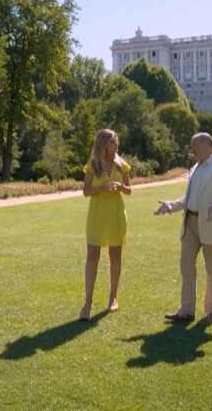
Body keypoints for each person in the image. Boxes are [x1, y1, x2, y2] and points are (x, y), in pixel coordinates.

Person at [154, 133, 212, 325]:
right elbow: (188, 199)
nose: (191, 150)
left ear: (207, 145)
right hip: (189, 223)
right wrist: (170, 206)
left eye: (194, 146)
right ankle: (186, 310)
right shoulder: (194, 169)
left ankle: (210, 311)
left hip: (211, 223)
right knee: (186, 266)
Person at [79, 129, 132, 321]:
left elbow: (129, 190)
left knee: (115, 254)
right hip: (97, 214)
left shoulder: (121, 165)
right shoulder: (92, 166)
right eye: (112, 141)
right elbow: (86, 191)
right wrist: (101, 187)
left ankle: (113, 297)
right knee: (92, 255)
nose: (116, 144)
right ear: (103, 145)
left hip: (116, 213)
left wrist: (120, 187)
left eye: (116, 141)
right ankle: (88, 302)